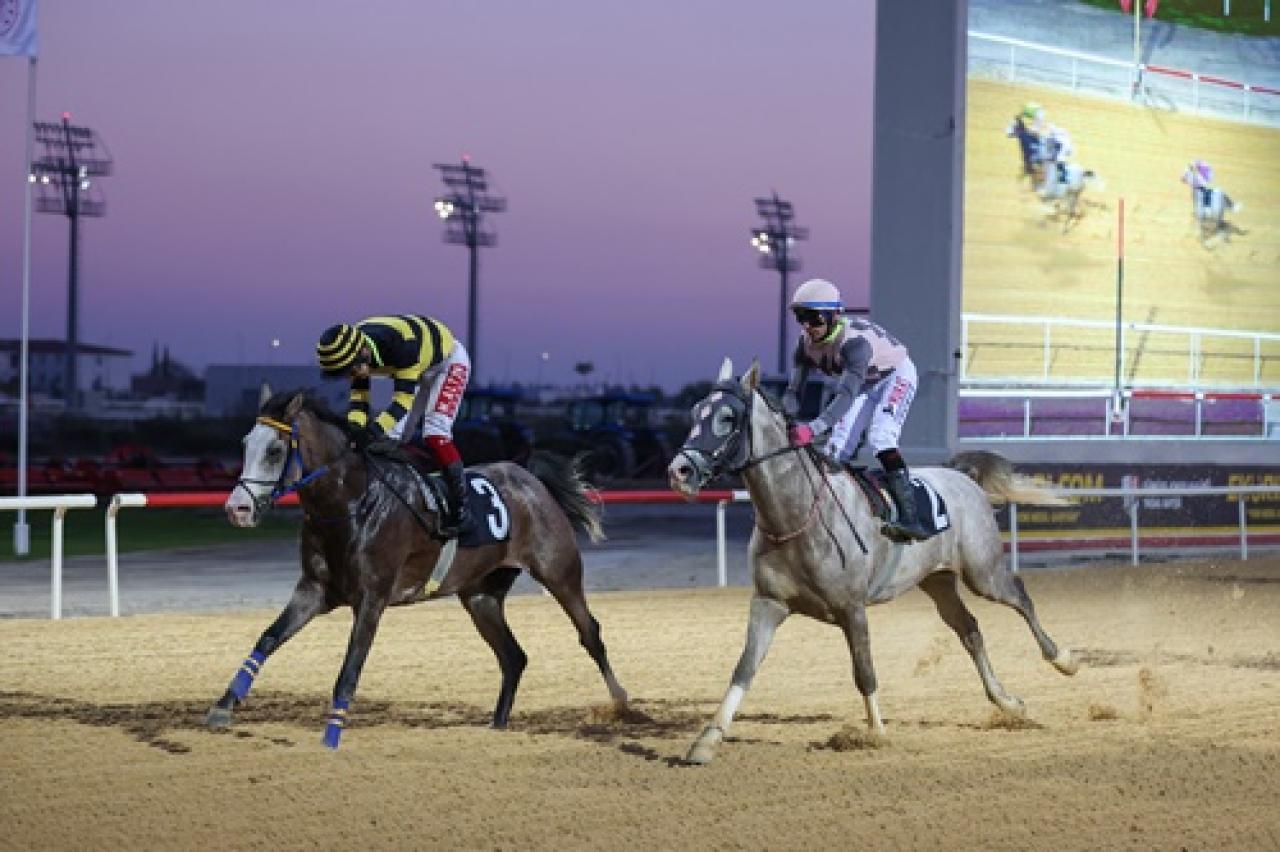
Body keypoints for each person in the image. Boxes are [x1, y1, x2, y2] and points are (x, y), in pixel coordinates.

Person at [782, 278, 929, 542]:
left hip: (895, 375)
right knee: (835, 449)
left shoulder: (854, 344)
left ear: (833, 315)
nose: (806, 326)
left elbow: (846, 395)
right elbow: (794, 392)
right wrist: (783, 422)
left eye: (814, 318)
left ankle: (911, 518)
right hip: (865, 382)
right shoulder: (803, 346)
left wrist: (813, 428)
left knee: (881, 438)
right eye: (801, 317)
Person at [316, 314, 473, 537]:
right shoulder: (356, 348)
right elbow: (360, 400)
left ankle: (463, 509)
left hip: (448, 364)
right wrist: (353, 431)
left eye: (350, 370)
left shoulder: (401, 346)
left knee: (434, 432)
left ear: (364, 353)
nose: (349, 377)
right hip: (417, 368)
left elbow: (402, 402)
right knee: (393, 437)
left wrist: (371, 433)